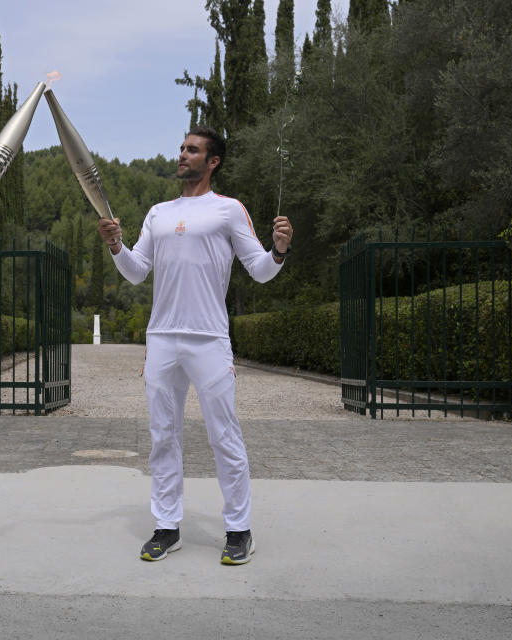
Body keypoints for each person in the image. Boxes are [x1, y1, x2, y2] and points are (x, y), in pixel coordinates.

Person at [97, 126, 293, 565]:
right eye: (182, 148)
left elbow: (260, 270)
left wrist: (279, 250)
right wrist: (115, 245)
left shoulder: (228, 211)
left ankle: (239, 530)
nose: (182, 155)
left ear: (213, 161)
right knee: (163, 437)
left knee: (224, 436)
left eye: (192, 150)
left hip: (209, 340)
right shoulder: (158, 213)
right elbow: (135, 271)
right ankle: (167, 527)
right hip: (162, 339)